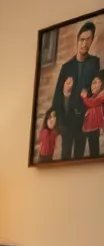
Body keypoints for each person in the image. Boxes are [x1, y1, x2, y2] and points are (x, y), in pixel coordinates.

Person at [54, 21, 100, 160]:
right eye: (82, 40)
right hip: (68, 121)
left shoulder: (94, 62)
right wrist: (60, 125)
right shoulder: (66, 67)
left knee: (79, 158)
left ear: (92, 41)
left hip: (84, 120)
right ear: (77, 40)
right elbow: (57, 96)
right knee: (65, 157)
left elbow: (97, 89)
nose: (84, 44)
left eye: (88, 40)